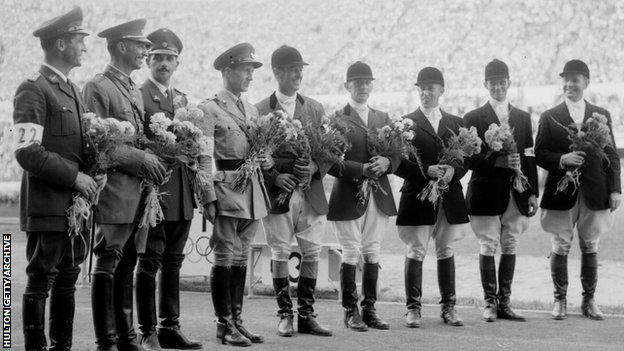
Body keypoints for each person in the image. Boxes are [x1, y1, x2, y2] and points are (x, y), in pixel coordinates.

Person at [14, 6, 102, 350]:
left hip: (74, 208)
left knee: (68, 279)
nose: (84, 46)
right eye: (80, 40)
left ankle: (61, 347)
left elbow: (77, 147)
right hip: (48, 205)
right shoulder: (32, 89)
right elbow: (26, 152)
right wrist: (75, 177)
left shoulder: (73, 91)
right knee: (41, 281)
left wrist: (95, 172)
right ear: (62, 43)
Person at [83, 18, 166, 351]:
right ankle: (107, 340)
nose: (146, 50)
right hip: (113, 191)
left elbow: (138, 139)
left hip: (134, 192)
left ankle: (126, 337)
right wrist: (141, 160)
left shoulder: (132, 87)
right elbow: (96, 143)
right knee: (107, 261)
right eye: (141, 45)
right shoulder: (98, 87)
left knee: (126, 263)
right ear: (120, 46)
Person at [255, 45, 333, 337]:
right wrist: (275, 177)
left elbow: (330, 151)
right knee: (279, 251)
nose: (298, 73)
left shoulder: (314, 108)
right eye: (292, 68)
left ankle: (307, 315)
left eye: (300, 68)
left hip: (309, 192)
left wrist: (314, 168)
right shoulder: (260, 110)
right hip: (278, 195)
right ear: (276, 72)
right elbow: (254, 154)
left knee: (312, 252)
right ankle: (284, 314)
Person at [198, 42, 272, 347]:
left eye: (252, 71)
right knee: (225, 256)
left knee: (242, 256)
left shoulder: (252, 109)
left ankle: (237, 321)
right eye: (245, 70)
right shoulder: (210, 108)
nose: (250, 76)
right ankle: (223, 324)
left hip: (253, 191)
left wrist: (265, 158)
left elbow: (256, 149)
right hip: (227, 190)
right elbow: (203, 157)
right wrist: (207, 197)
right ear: (227, 70)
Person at [535, 59, 621, 321]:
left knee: (591, 244)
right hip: (562, 192)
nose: (569, 84)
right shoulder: (549, 115)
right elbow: (539, 153)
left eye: (575, 79)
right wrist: (562, 160)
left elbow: (612, 156)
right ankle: (560, 300)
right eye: (566, 79)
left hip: (594, 190)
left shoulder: (601, 114)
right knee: (560, 244)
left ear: (586, 82)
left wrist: (615, 189)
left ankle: (589, 301)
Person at [135, 28, 202, 350]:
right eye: (157, 57)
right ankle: (146, 329)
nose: (163, 63)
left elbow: (194, 146)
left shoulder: (183, 100)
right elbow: (136, 141)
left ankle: (170, 327)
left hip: (182, 190)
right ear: (148, 60)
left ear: (177, 62)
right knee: (150, 262)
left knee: (174, 262)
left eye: (169, 58)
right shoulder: (139, 95)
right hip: (154, 192)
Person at [463, 59, 539, 322]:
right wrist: (496, 161)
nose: (497, 86)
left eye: (501, 81)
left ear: (509, 82)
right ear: (486, 84)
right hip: (485, 191)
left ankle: (505, 302)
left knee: (510, 243)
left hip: (516, 192)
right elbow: (468, 159)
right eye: (492, 82)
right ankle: (489, 302)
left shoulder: (523, 117)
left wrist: (532, 191)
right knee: (488, 243)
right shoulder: (473, 117)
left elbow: (529, 155)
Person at [395, 67, 469, 328]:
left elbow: (465, 160)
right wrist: (424, 170)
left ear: (441, 91)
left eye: (431, 88)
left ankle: (449, 307)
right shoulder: (406, 122)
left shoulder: (457, 122)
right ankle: (413, 309)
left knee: (446, 249)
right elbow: (398, 164)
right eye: (421, 88)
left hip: (448, 197)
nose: (425, 93)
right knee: (416, 249)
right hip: (418, 194)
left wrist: (453, 171)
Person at [327, 61, 398, 332]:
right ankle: (350, 310)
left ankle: (369, 309)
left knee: (372, 250)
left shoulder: (383, 118)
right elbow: (330, 161)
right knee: (351, 250)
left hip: (377, 194)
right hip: (348, 194)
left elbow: (398, 153)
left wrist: (387, 162)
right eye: (357, 83)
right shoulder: (337, 119)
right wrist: (361, 169)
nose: (363, 87)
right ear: (347, 86)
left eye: (367, 82)